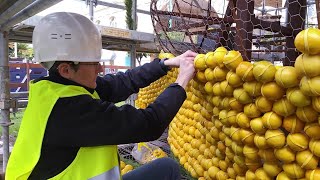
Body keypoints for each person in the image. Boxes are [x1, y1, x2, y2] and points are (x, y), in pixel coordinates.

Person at [6, 12, 197, 180]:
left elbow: (123, 82)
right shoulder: (69, 111)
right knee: (166, 170)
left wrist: (166, 64)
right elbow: (149, 123)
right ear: (66, 69)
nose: (101, 68)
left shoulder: (60, 89)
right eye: (94, 63)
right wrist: (181, 82)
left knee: (165, 168)